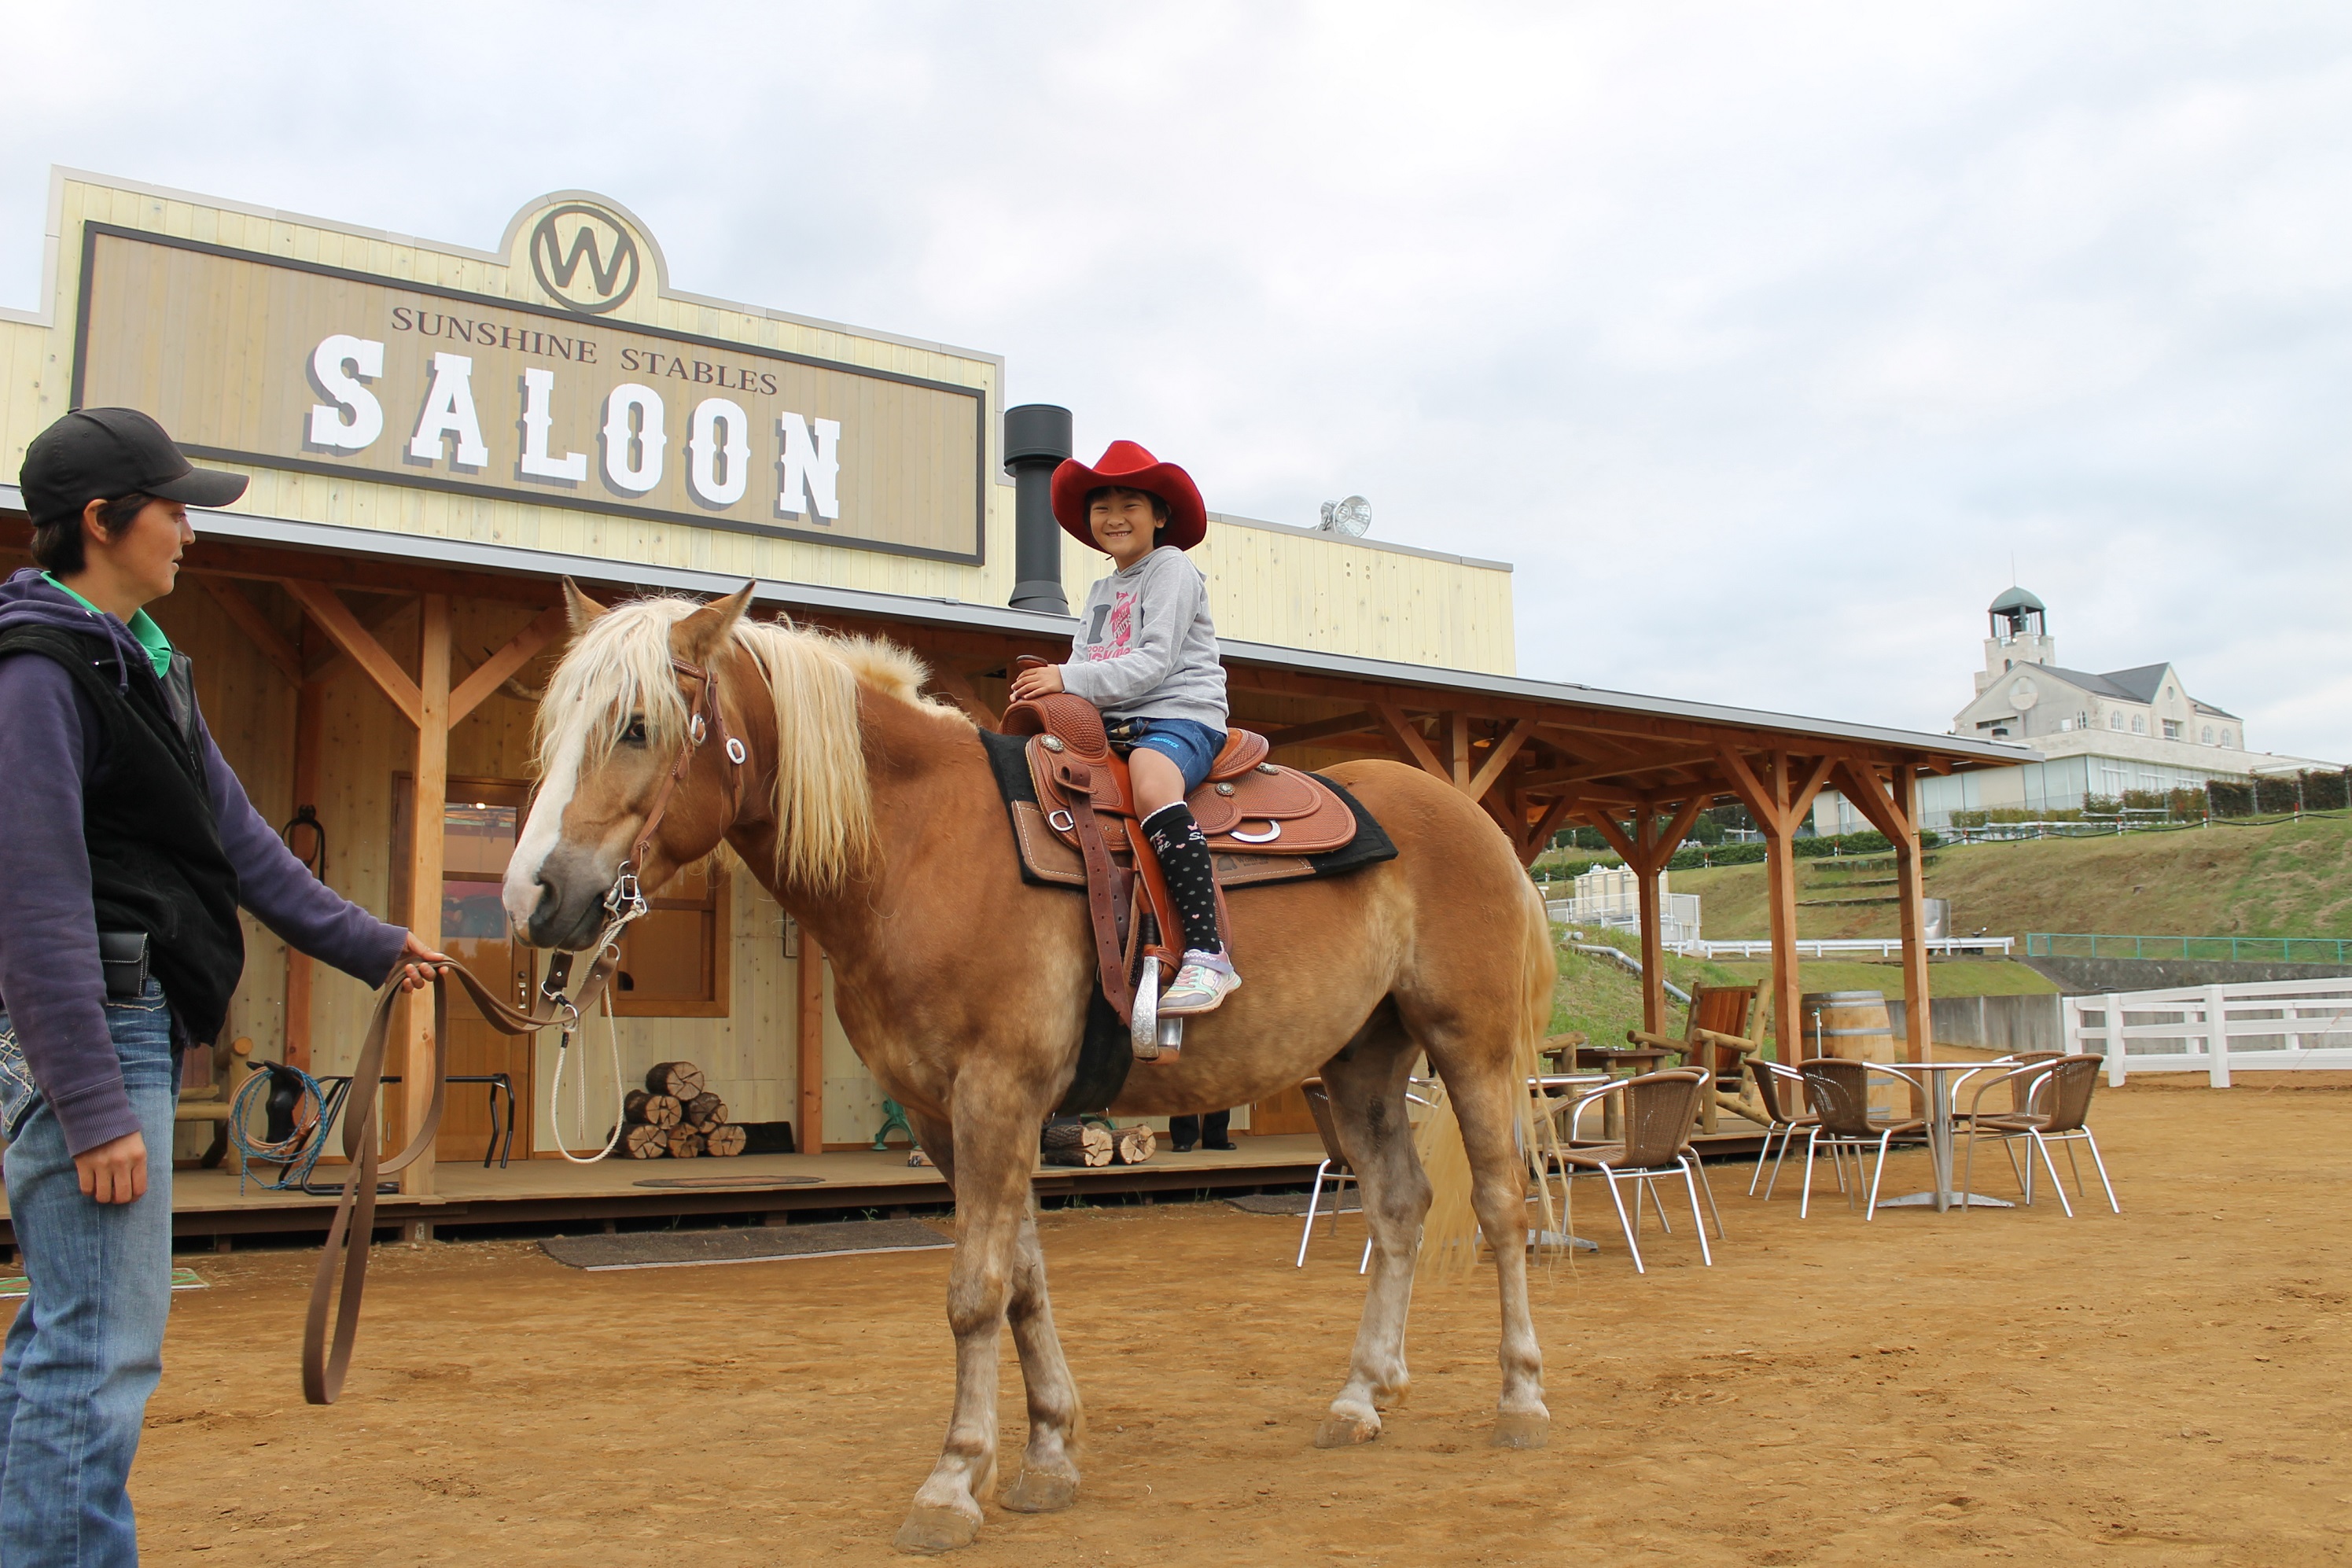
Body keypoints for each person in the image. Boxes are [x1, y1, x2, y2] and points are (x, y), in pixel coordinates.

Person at [0, 407, 443, 1566]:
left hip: (132, 1019)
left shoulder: (142, 660)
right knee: (99, 1347)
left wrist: (380, 945)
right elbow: (34, 899)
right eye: (173, 507)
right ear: (100, 522)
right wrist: (93, 1101)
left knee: (66, 1331)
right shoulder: (39, 676)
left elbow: (245, 848)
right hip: (97, 1029)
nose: (191, 529)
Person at [1009, 440, 1238, 1017]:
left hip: (1178, 714)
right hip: (1114, 724)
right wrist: (1050, 690)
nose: (1114, 516)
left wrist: (1062, 676)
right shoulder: (1099, 591)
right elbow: (1086, 664)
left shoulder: (1171, 568)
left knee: (1151, 782)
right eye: (1101, 505)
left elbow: (1153, 663)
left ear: (1159, 516)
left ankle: (1208, 955)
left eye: (1130, 503)